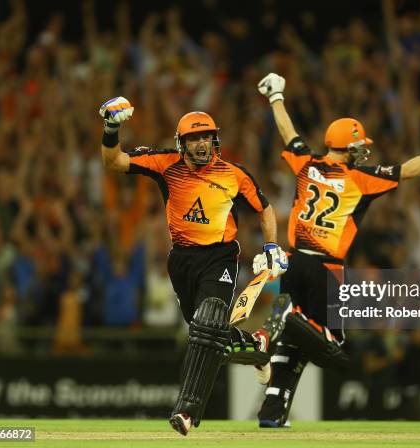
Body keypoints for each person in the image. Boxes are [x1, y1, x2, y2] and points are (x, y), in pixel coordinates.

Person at [255, 73, 420, 427]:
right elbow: (409, 170)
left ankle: (272, 413)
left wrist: (275, 95)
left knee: (294, 347)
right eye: (360, 145)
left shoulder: (306, 164)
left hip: (293, 264)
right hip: (327, 269)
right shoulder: (361, 179)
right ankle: (288, 320)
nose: (364, 150)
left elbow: (288, 133)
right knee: (335, 348)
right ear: (347, 147)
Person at [98, 97, 288, 436]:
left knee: (207, 323)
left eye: (206, 137)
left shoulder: (233, 174)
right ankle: (257, 348)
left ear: (214, 140)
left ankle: (186, 411)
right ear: (181, 143)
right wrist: (111, 128)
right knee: (208, 333)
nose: (201, 144)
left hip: (221, 256)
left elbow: (266, 208)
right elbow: (113, 161)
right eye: (193, 139)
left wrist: (271, 245)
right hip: (182, 261)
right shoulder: (165, 164)